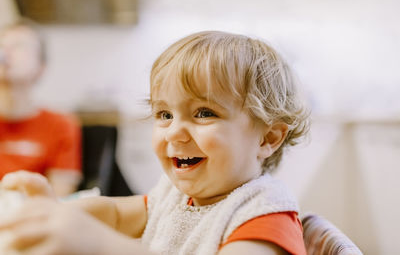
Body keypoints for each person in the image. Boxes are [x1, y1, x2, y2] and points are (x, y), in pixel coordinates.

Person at [0, 31, 310, 255]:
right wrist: (55, 213)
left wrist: (102, 245)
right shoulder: (174, 196)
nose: (174, 132)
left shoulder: (264, 219)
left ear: (268, 138)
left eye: (204, 113)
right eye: (164, 113)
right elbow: (116, 214)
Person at [0, 20, 82, 197]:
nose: (6, 52)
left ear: (41, 67)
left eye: (19, 46)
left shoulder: (61, 124)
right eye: (2, 45)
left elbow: (59, 197)